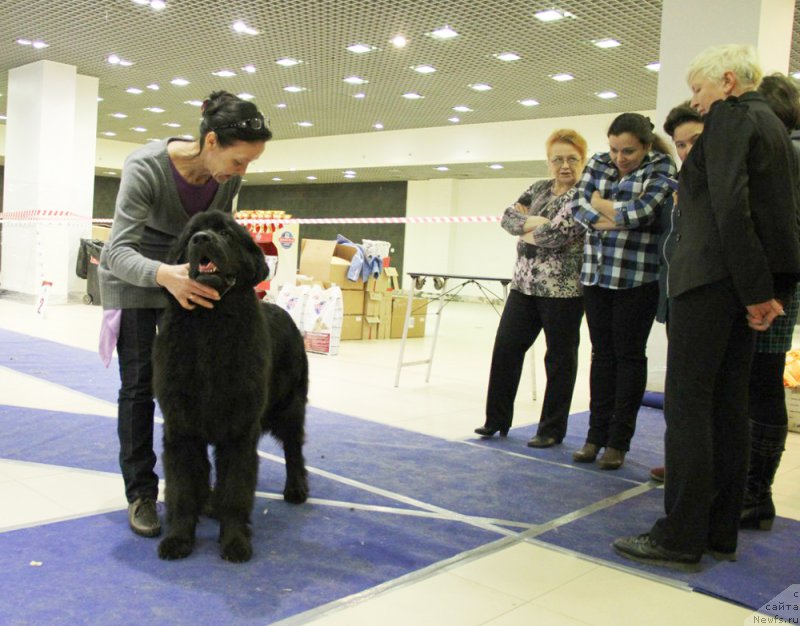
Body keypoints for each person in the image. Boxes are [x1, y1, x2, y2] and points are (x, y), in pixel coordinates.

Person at [613, 45, 800, 571]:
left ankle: (679, 535)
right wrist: (770, 290)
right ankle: (719, 530)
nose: (695, 101)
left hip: (710, 282)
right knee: (727, 408)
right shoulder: (776, 129)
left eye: (698, 89)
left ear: (725, 81)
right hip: (741, 287)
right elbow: (781, 218)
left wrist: (758, 290)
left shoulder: (733, 117)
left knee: (690, 409)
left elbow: (729, 207)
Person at [98, 91, 272, 538]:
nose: (242, 172)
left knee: (202, 384)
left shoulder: (226, 178)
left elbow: (221, 231)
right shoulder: (147, 167)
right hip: (137, 276)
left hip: (192, 277)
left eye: (248, 164)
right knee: (139, 387)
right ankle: (141, 493)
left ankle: (201, 492)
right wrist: (164, 275)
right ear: (211, 141)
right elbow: (115, 251)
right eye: (239, 161)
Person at [570, 113, 677, 470]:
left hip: (636, 279)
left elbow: (643, 212)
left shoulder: (662, 167)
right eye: (615, 149)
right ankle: (594, 436)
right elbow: (577, 207)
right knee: (601, 356)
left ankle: (618, 442)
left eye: (628, 150)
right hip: (596, 276)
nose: (619, 157)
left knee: (629, 357)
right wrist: (609, 214)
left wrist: (602, 206)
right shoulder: (598, 162)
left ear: (646, 145)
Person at [475, 129, 587, 447]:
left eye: (572, 159)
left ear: (583, 160)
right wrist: (537, 225)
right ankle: (496, 420)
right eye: (558, 159)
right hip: (523, 287)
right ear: (548, 162)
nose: (564, 165)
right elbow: (508, 218)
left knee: (560, 361)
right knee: (506, 350)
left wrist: (530, 226)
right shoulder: (537, 188)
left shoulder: (583, 195)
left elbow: (558, 235)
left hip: (563, 291)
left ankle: (551, 429)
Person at [741, 73, 800, 531]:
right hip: (777, 287)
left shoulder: (785, 156)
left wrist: (773, 293)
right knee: (759, 387)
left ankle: (755, 493)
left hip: (772, 289)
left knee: (759, 387)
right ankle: (752, 488)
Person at [649, 103, 705, 483]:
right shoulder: (680, 185)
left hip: (706, 300)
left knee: (700, 396)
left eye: (693, 142)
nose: (686, 151)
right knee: (681, 391)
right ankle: (680, 464)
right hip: (676, 298)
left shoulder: (717, 184)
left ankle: (695, 472)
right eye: (680, 144)